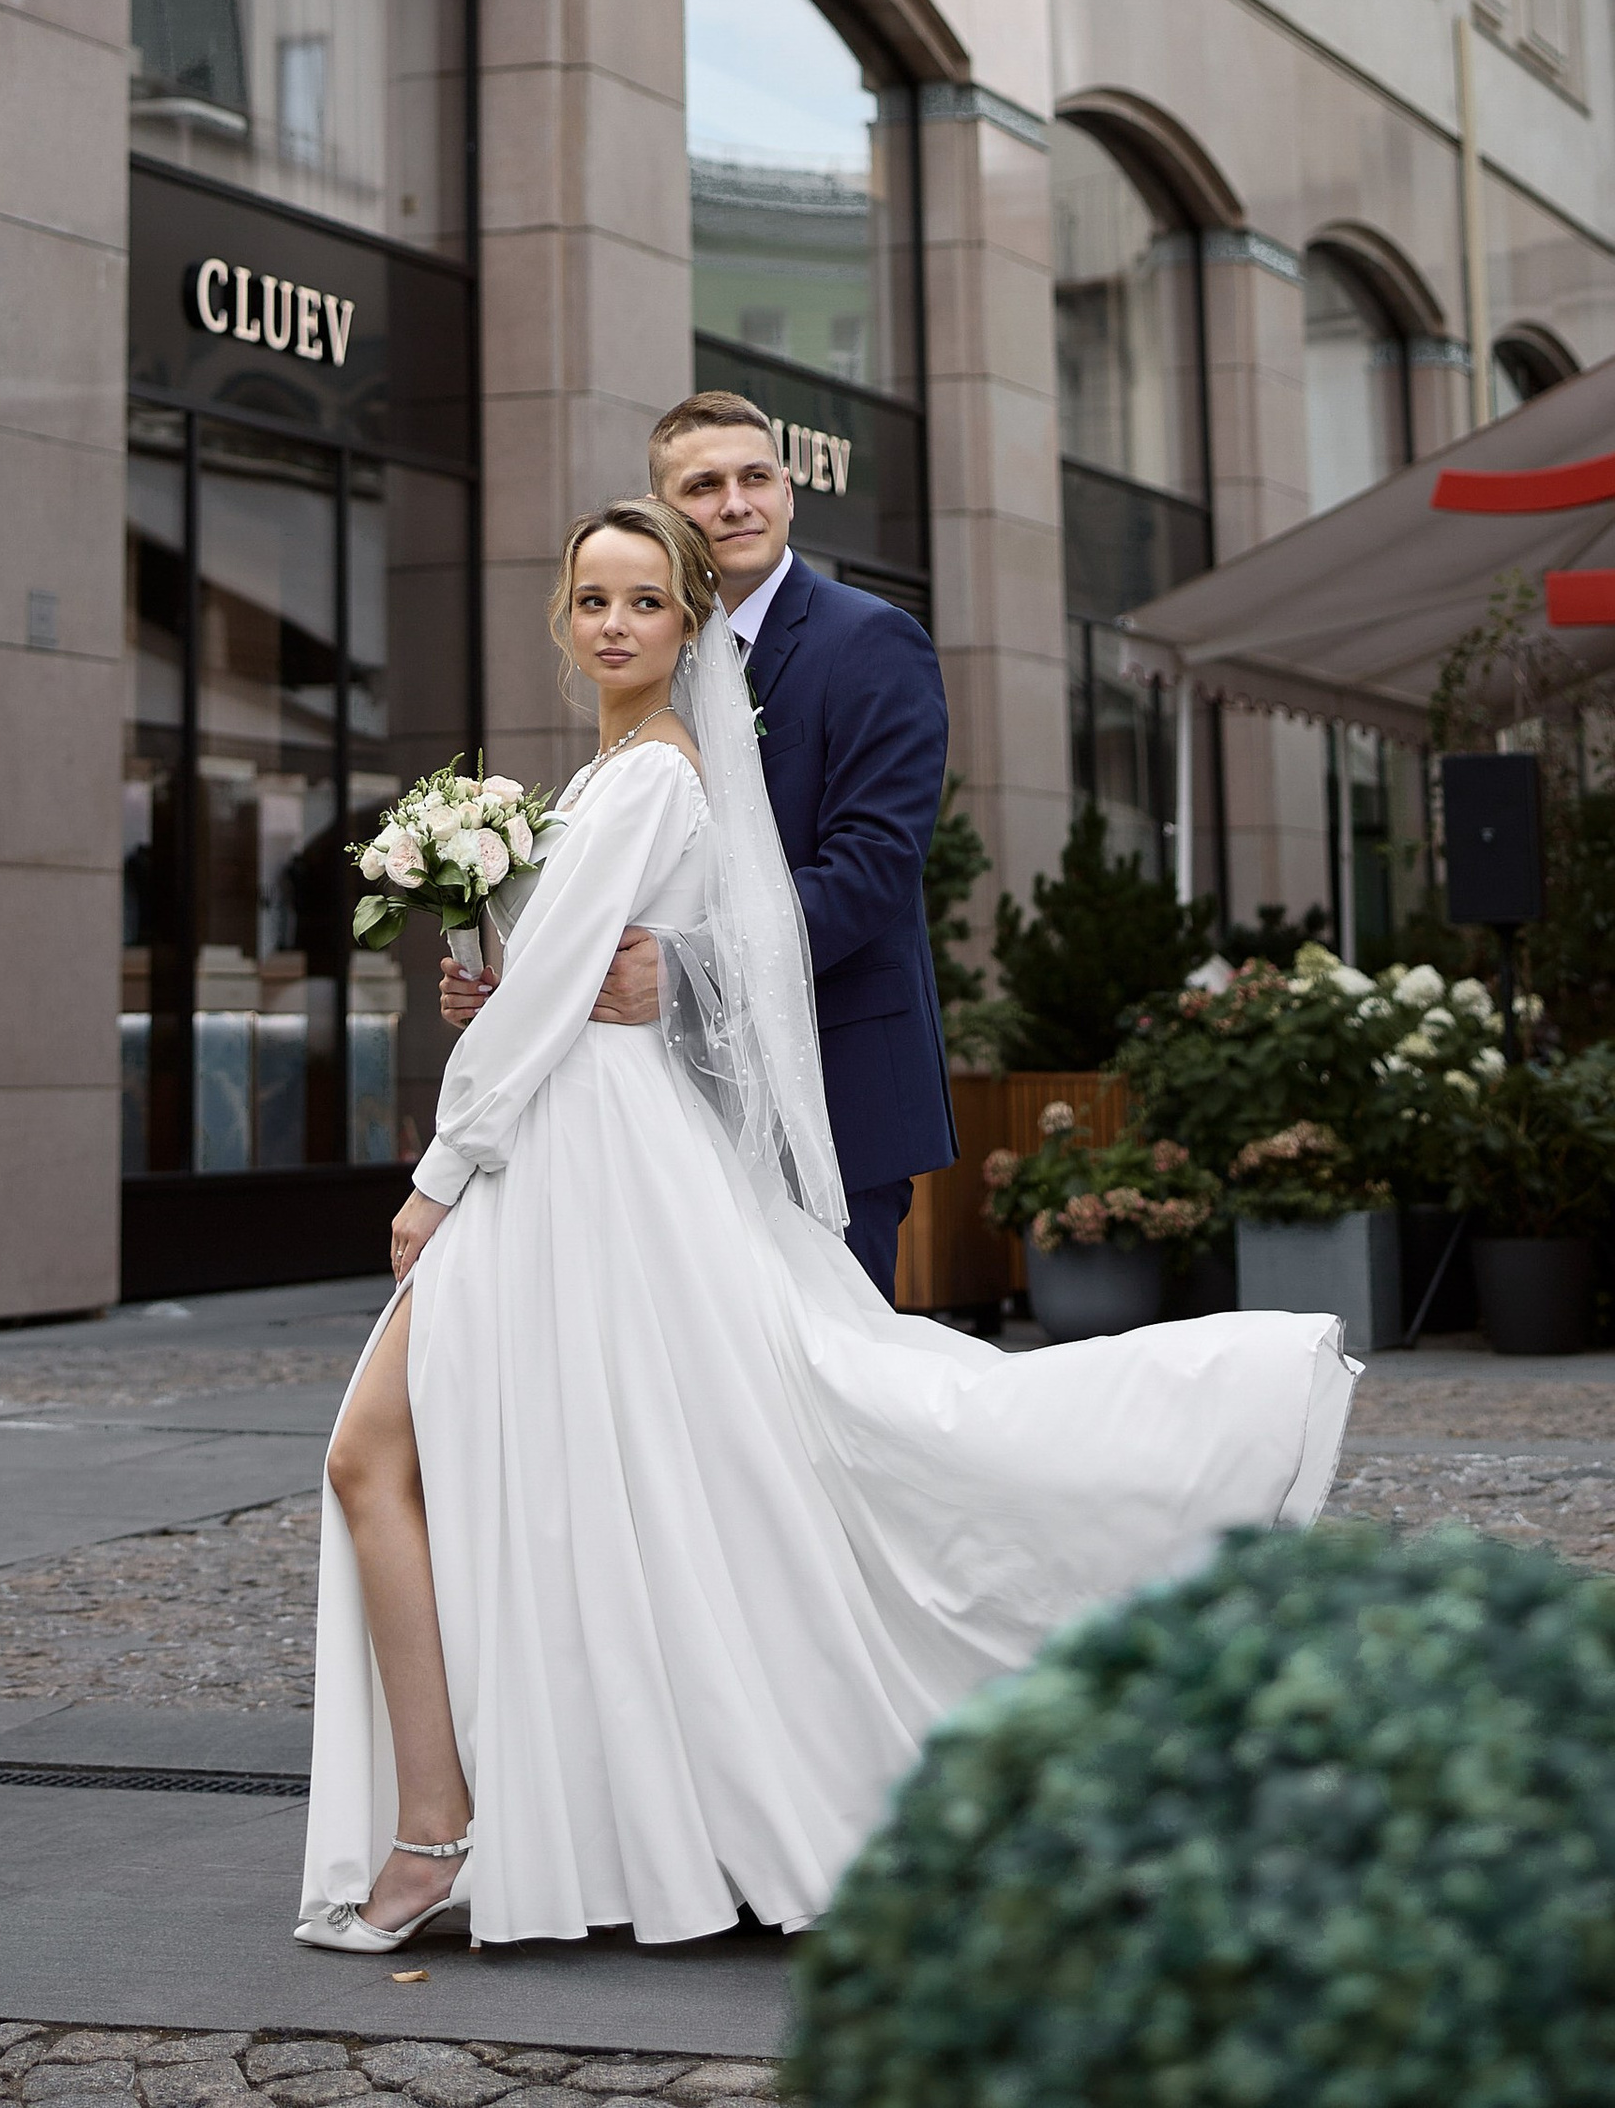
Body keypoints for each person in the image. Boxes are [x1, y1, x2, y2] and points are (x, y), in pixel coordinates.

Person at [297, 497, 1354, 1957]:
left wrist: (440, 1168)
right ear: (563, 618)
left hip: (571, 1157)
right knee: (507, 1471)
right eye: (592, 599)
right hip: (568, 1149)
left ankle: (441, 1822)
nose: (615, 623)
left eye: (645, 603)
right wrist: (486, 967)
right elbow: (548, 977)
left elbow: (564, 1000)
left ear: (687, 627)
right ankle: (470, 1809)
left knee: (407, 1454)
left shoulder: (656, 778)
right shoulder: (599, 780)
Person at [440, 392, 951, 1299]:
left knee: (832, 1377)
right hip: (680, 1102)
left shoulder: (869, 640)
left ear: (789, 493)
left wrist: (684, 969)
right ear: (666, 511)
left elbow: (872, 869)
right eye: (704, 485)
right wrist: (498, 968)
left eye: (756, 477)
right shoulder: (651, 656)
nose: (736, 503)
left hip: (834, 1082)